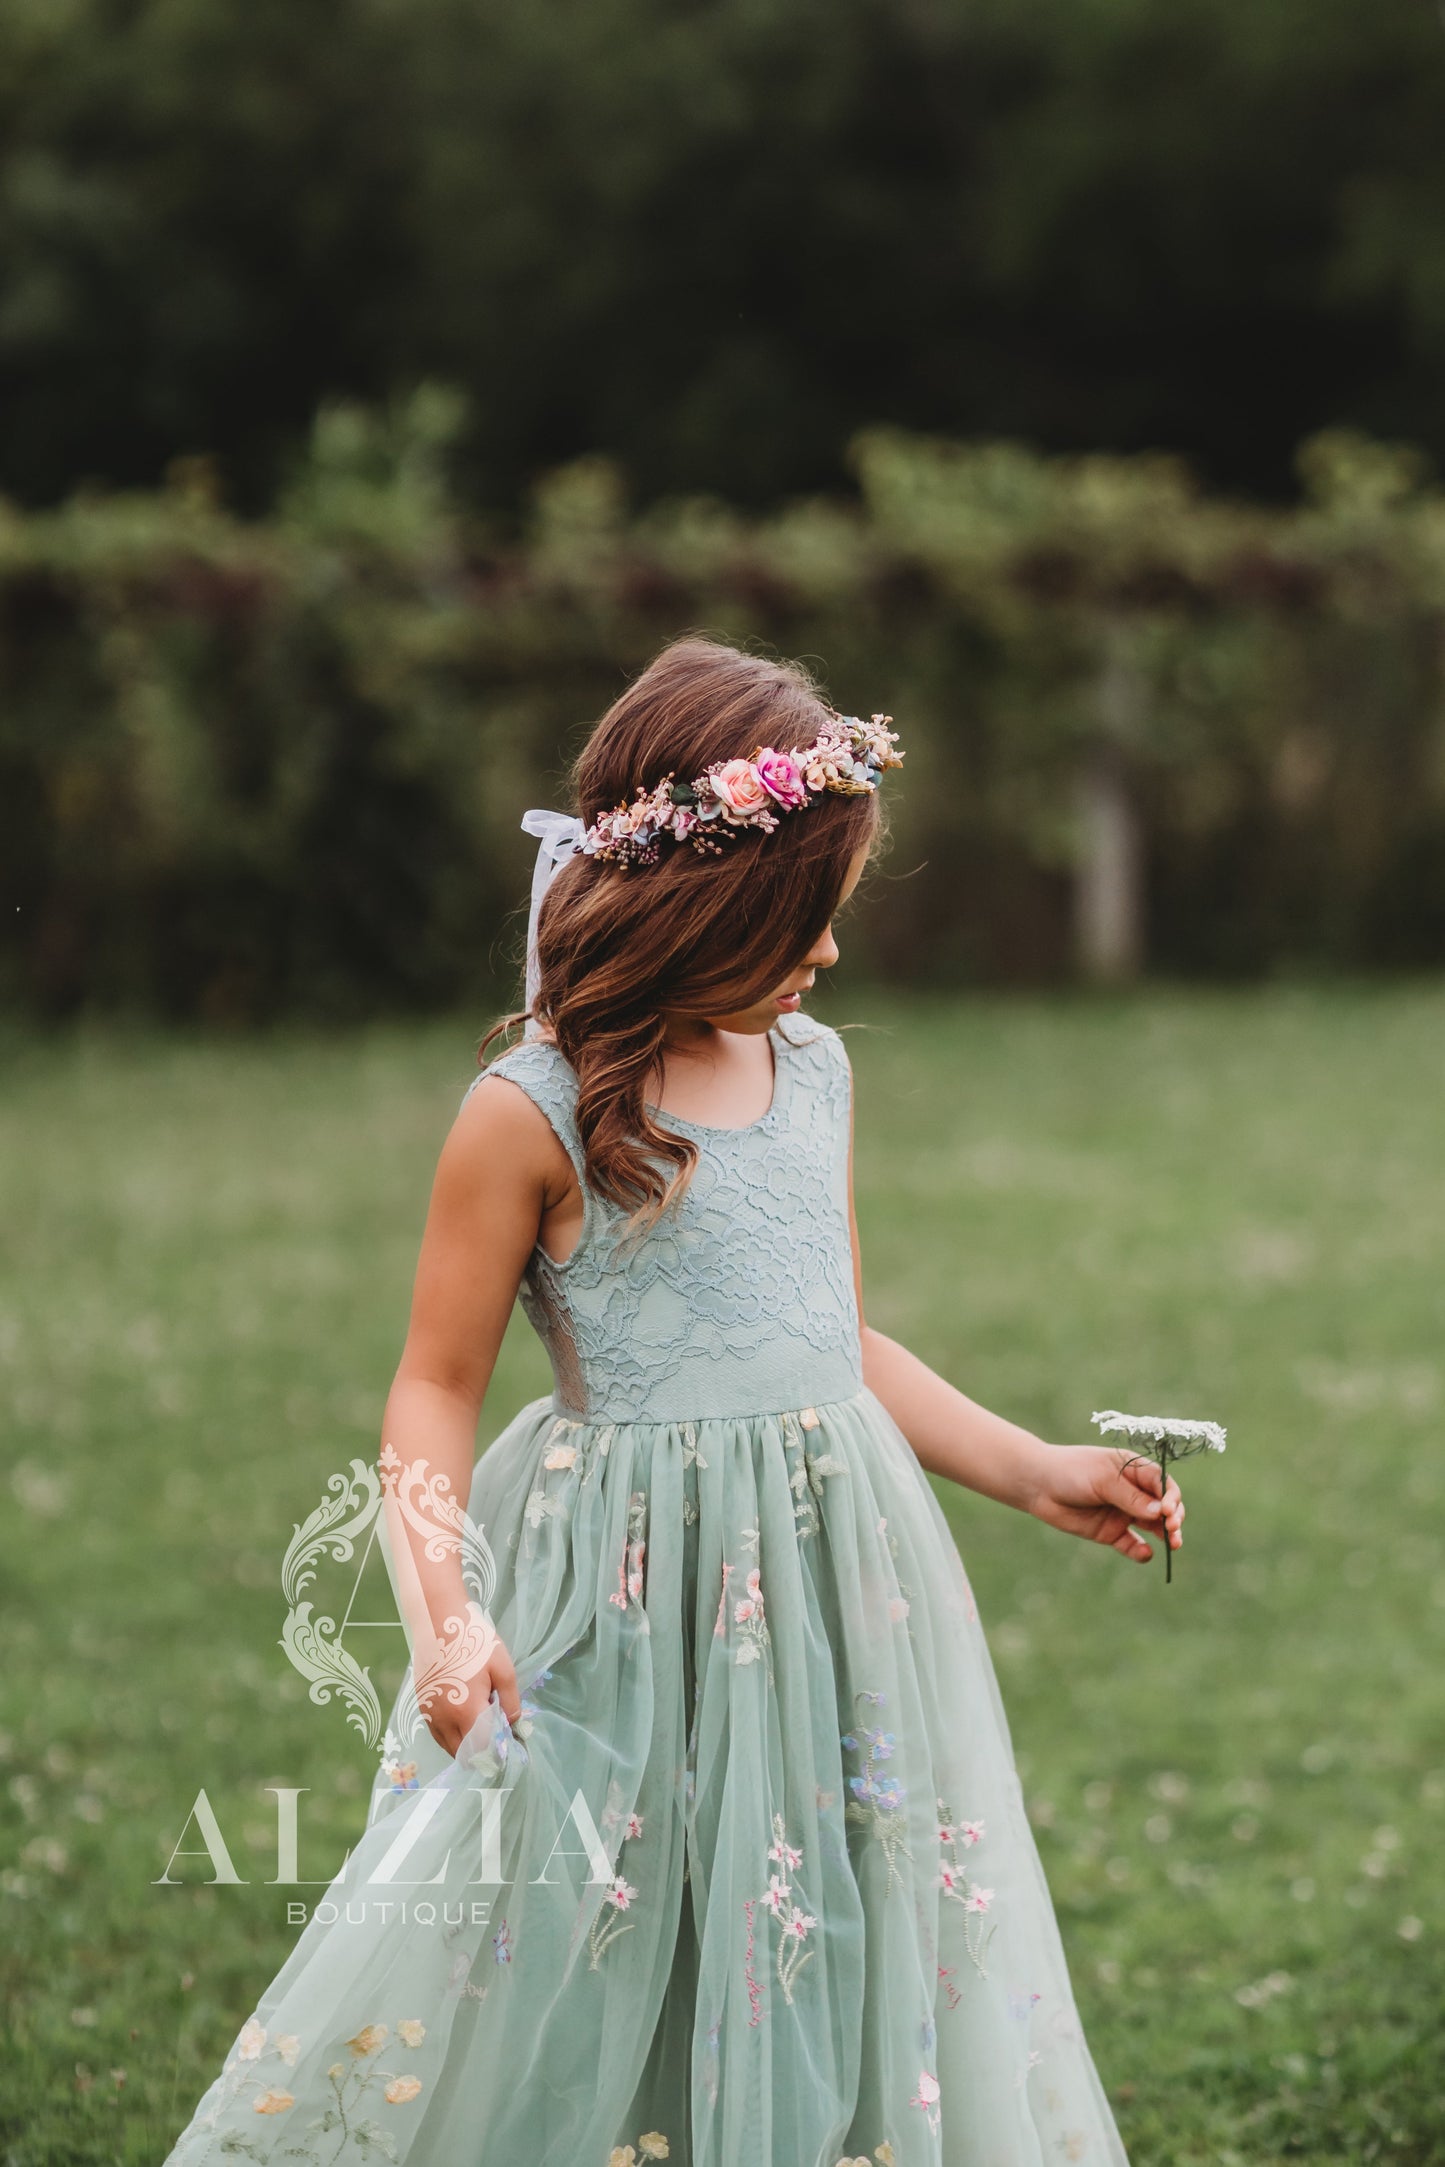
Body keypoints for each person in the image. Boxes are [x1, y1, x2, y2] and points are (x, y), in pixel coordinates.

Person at [163, 637, 1182, 2167]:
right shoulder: (531, 1113)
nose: (827, 959)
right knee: (584, 1921)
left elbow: (829, 1339)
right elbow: (433, 1387)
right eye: (800, 923)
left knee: (824, 1902)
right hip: (622, 1602)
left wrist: (1028, 1468)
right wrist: (442, 1610)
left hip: (833, 1587)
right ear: (695, 902)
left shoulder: (815, 1070)